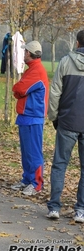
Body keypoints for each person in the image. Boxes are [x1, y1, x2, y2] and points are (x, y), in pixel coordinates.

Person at [46, 30, 84, 223]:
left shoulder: (65, 62)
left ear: (77, 43)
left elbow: (54, 93)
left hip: (67, 121)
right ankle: (81, 210)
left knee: (60, 164)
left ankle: (54, 207)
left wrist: (54, 117)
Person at [10, 41, 49, 196]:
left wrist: (18, 90)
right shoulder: (31, 69)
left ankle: (36, 183)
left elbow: (19, 88)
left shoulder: (36, 71)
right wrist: (18, 91)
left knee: (34, 152)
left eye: (25, 51)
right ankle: (27, 179)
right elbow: (19, 90)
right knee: (26, 152)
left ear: (29, 53)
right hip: (27, 116)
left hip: (33, 117)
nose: (23, 54)